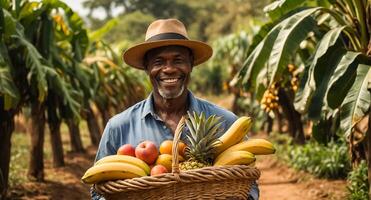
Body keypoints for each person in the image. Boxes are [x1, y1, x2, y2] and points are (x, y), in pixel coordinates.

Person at [91, 18, 259, 200]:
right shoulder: (119, 127)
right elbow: (98, 191)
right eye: (159, 62)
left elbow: (249, 188)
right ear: (147, 68)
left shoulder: (225, 123)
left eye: (178, 60)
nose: (169, 69)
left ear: (191, 64)